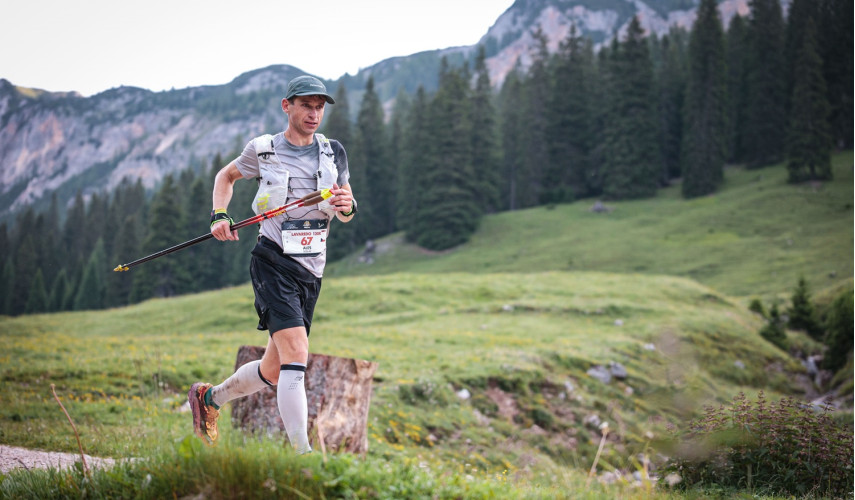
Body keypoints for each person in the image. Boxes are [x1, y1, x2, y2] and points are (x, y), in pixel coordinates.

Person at [188, 75, 357, 454]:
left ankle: (209, 399)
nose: (314, 114)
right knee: (297, 353)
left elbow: (346, 207)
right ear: (287, 106)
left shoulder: (333, 152)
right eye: (306, 106)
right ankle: (303, 457)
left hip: (311, 270)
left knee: (275, 370)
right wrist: (219, 215)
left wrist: (348, 206)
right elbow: (226, 176)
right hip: (273, 260)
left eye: (319, 107)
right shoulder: (263, 149)